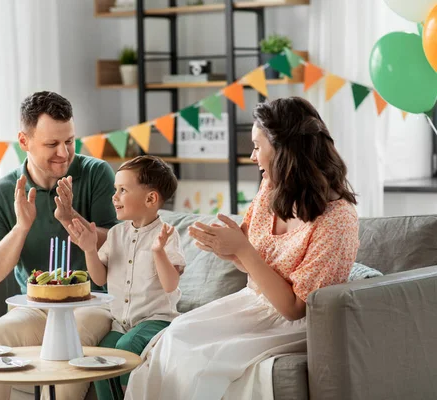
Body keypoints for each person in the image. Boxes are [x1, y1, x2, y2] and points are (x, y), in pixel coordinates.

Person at [124, 97, 360, 400]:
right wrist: (227, 249)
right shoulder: (271, 189)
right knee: (173, 337)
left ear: (284, 150)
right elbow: (246, 260)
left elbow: (294, 308)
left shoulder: (337, 219)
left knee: (201, 362)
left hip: (293, 324)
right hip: (252, 304)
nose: (252, 156)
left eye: (257, 146)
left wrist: (243, 251)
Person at [0, 91, 118, 400]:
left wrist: (69, 218)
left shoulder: (96, 174)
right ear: (24, 142)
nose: (64, 153)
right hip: (36, 308)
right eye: (52, 144)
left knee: (71, 342)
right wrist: (21, 227)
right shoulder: (1, 193)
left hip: (92, 303)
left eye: (70, 141)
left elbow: (121, 244)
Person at [67, 156, 186, 400]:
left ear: (150, 199)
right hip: (121, 324)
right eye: (115, 190)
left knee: (125, 348)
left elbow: (170, 284)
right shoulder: (116, 234)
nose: (115, 196)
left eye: (123, 190)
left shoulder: (167, 236)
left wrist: (158, 252)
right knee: (99, 356)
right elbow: (99, 278)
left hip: (157, 321)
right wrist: (89, 249)